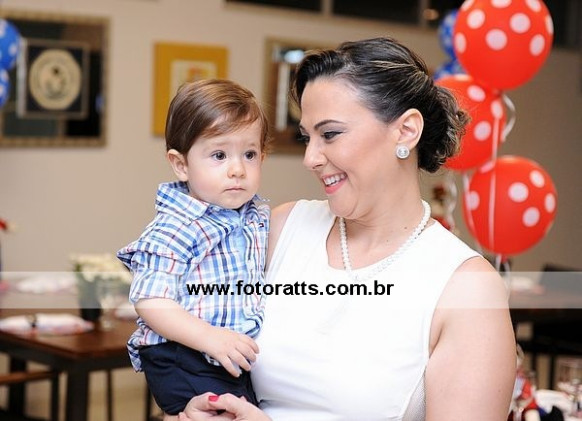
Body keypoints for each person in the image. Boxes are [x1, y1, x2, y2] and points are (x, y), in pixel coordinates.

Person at [179, 37, 516, 421]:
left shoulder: (465, 287)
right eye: (307, 137)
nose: (310, 158)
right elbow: (188, 350)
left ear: (406, 131)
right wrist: (188, 410)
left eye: (330, 134)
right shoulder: (279, 230)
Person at [117, 79, 271, 419]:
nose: (237, 169)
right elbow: (150, 300)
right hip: (181, 353)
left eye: (249, 154)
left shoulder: (255, 216)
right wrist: (209, 337)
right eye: (219, 155)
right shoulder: (176, 226)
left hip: (221, 354)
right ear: (181, 164)